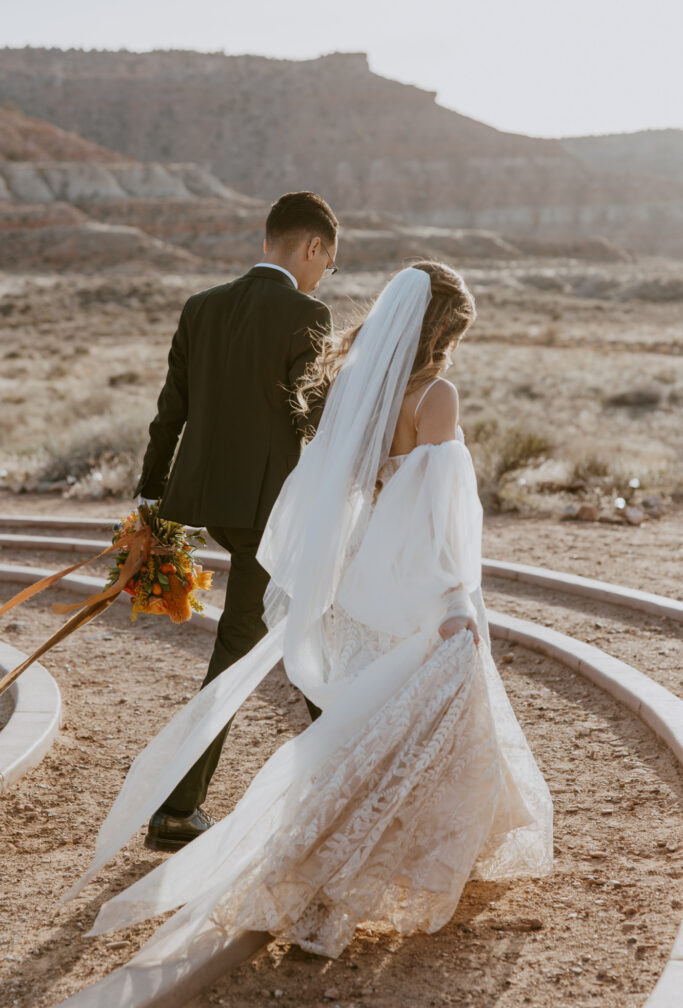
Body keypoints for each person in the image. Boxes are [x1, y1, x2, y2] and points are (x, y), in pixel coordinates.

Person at [59, 262, 553, 1007]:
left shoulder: (356, 384)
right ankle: (388, 856)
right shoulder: (437, 396)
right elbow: (438, 512)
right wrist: (455, 599)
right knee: (420, 719)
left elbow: (343, 483)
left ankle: (343, 852)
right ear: (443, 330)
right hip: (413, 574)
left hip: (356, 572)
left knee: (371, 721)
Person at [133, 191, 338, 852]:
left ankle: (348, 771)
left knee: (297, 625)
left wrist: (150, 497)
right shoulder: (307, 312)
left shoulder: (202, 306)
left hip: (203, 501)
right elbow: (311, 417)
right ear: (312, 248)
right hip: (267, 512)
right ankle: (175, 810)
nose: (322, 275)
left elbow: (172, 409)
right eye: (326, 262)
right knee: (246, 643)